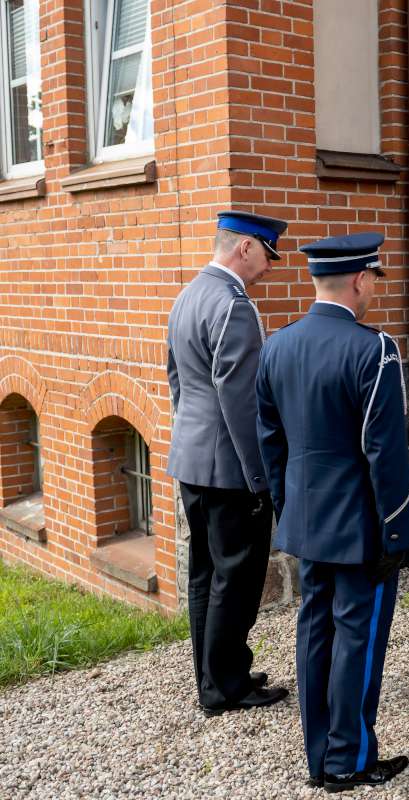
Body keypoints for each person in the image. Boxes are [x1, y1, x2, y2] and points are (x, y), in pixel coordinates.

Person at [256, 233, 409, 792]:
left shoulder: (277, 345)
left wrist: (287, 505)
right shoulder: (373, 350)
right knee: (358, 639)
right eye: (374, 277)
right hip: (362, 525)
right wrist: (397, 529)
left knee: (314, 633)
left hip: (307, 519)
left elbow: (269, 443)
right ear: (360, 279)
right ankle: (348, 759)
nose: (374, 286)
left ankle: (319, 754)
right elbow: (385, 452)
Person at [167, 210, 290, 717]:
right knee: (236, 578)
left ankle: (213, 674)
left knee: (204, 574)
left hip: (193, 459)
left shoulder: (188, 294)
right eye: (266, 255)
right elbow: (241, 404)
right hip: (229, 467)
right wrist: (259, 476)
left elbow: (176, 380)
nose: (267, 267)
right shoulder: (234, 306)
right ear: (244, 248)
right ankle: (227, 687)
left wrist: (191, 440)